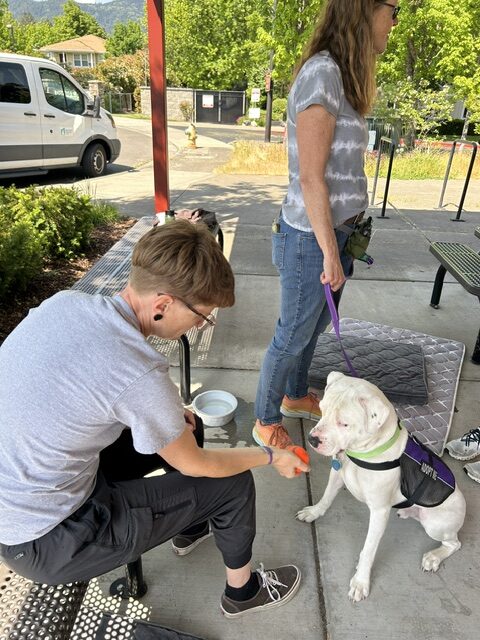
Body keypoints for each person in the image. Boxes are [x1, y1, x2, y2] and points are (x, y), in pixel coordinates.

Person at [0, 220, 308, 619]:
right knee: (232, 482)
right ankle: (243, 592)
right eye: (202, 316)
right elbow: (196, 464)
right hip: (52, 537)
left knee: (186, 425)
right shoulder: (138, 370)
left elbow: (77, 394)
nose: (201, 325)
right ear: (162, 304)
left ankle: (191, 525)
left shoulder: (65, 304)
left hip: (23, 496)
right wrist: (271, 456)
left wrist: (165, 417)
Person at [253, 0, 400, 449]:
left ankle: (296, 396)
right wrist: (330, 253)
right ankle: (264, 420)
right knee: (292, 334)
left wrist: (340, 242)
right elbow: (310, 178)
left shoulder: (340, 77)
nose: (395, 22)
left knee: (312, 329)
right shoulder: (322, 74)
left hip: (336, 234)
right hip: (310, 239)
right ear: (364, 9)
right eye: (393, 10)